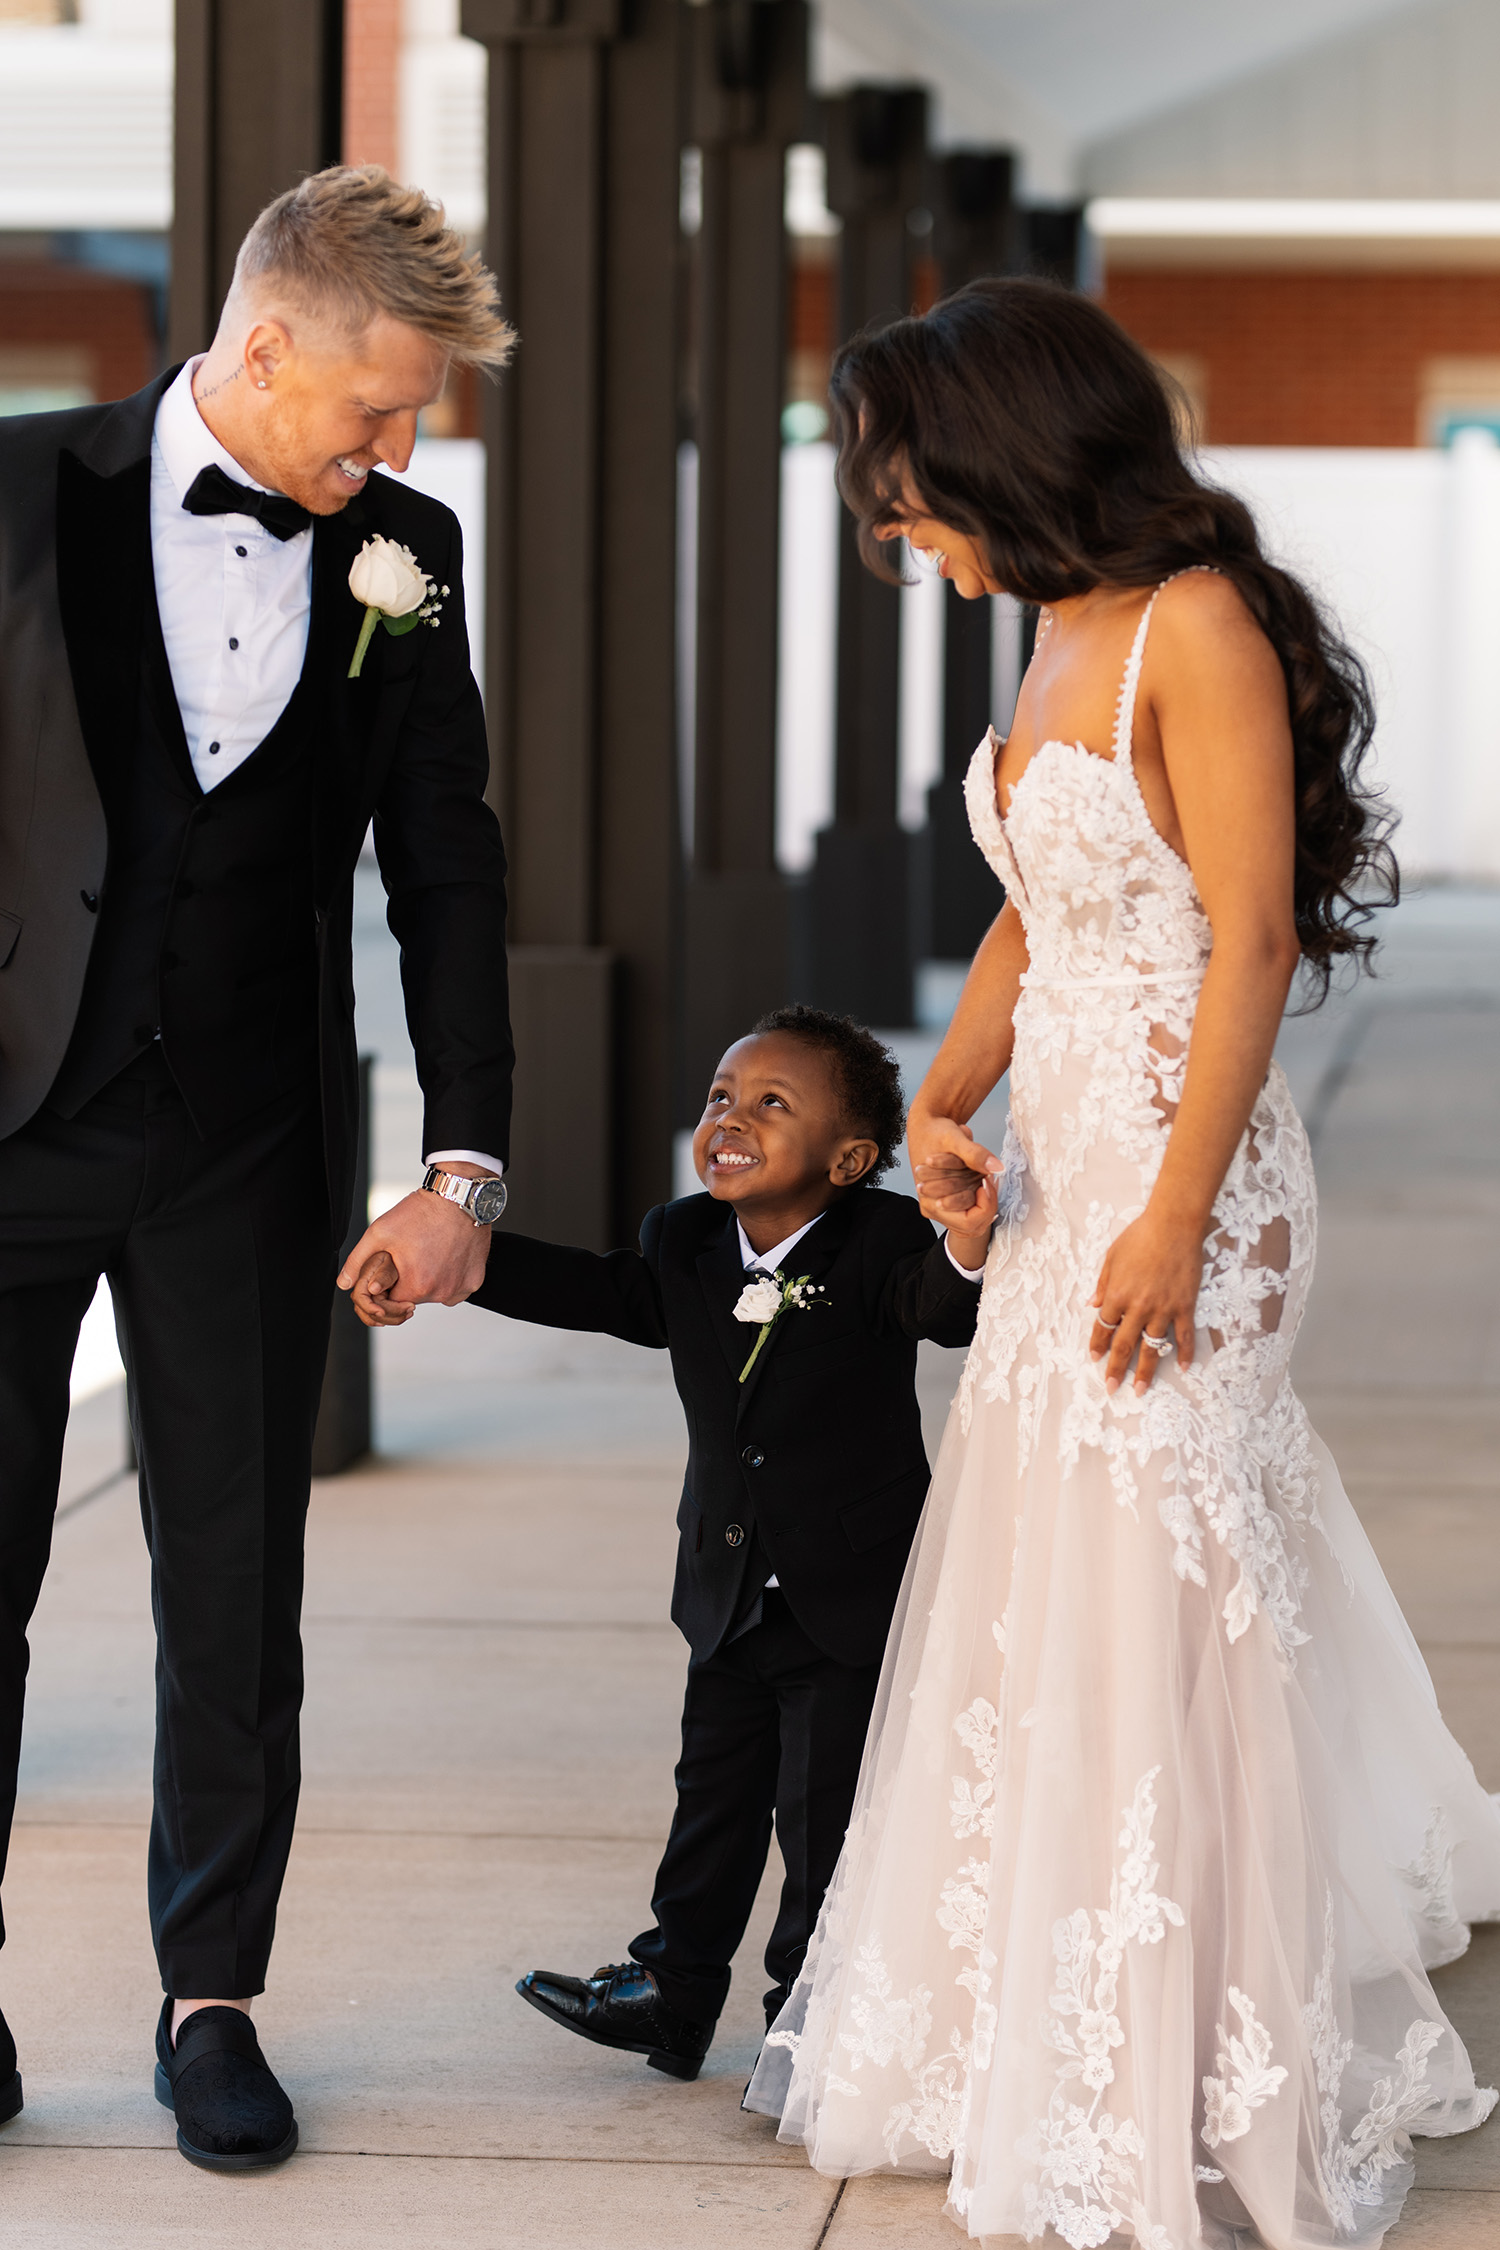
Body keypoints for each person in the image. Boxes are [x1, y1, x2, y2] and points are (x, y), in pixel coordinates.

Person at [744, 279, 1500, 2250]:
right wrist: (939, 1111)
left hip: (1198, 1182)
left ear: (1006, 449)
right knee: (1060, 1551)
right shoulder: (1054, 629)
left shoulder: (1199, 627)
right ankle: (1056, 1988)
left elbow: (1243, 939)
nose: (902, 531)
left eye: (910, 492)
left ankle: (1197, 2036)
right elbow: (1033, 912)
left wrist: (1170, 1212)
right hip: (1066, 1165)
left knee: (1175, 1574)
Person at [0, 167, 515, 2170]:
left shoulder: (408, 551)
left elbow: (446, 867)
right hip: (13, 1131)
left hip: (248, 1147)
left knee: (237, 1590)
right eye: (378, 410)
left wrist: (461, 1157)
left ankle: (213, 2001)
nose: (399, 452)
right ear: (267, 341)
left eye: (421, 425)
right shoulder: (21, 489)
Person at [356, 1007, 985, 2076]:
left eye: (771, 1104)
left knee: (821, 1824)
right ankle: (673, 1990)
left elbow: (946, 1308)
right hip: (730, 1587)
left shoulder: (880, 1244)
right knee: (713, 1800)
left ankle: (811, 2016)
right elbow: (602, 1293)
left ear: (849, 1157)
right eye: (721, 1099)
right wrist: (450, 1264)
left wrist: (966, 1235)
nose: (731, 1118)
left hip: (847, 1599)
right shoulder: (684, 1239)